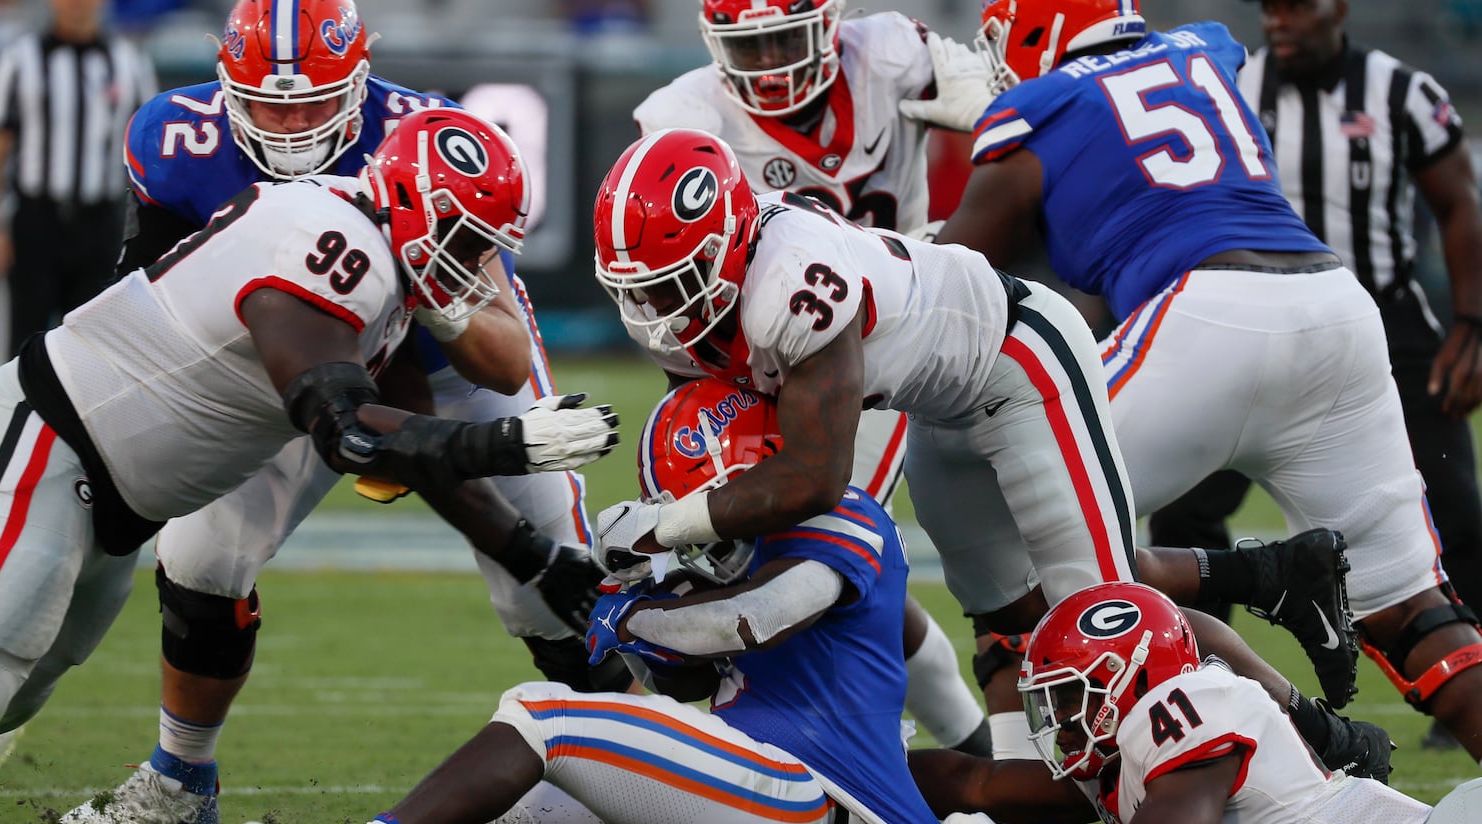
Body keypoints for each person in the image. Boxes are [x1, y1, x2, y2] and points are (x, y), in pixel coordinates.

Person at [0, 112, 618, 824]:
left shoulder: (377, 260)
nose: (471, 265)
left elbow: (416, 447)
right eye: (461, 239)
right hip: (52, 443)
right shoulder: (331, 244)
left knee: (2, 696)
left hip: (116, 496)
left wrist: (529, 553)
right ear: (408, 203)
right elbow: (349, 434)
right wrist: (504, 442)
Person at [590, 128, 1358, 771]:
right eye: (641, 287)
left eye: (675, 280)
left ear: (729, 238)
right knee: (1006, 621)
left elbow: (813, 479)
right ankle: (1046, 800)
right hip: (933, 405)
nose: (658, 307)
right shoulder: (692, 294)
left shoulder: (792, 283)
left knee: (1108, 615)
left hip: (1019, 362)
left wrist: (667, 526)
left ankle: (1319, 737)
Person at [54, 0, 610, 824]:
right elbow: (148, 311)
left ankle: (643, 776)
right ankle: (179, 776)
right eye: (270, 104)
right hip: (277, 371)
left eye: (315, 103)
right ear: (223, 79)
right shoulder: (177, 139)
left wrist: (431, 285)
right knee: (200, 558)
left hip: (442, 364)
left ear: (363, 75)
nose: (291, 126)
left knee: (551, 587)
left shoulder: (425, 139)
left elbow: (493, 363)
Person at [146, 380, 953, 824]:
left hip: (787, 799)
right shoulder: (725, 548)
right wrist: (638, 595)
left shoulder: (845, 517)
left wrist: (628, 614)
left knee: (543, 715)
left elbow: (747, 622)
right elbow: (676, 676)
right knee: (497, 807)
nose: (703, 520)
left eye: (706, 501)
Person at [922, 0, 1482, 754]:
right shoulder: (1204, 55)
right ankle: (1281, 625)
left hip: (1206, 318)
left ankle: (1029, 778)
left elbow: (950, 284)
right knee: (1415, 613)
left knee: (1008, 525)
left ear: (1033, 34)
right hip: (1334, 307)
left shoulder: (1037, 110)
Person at [628, 0, 990, 757]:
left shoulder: (891, 50)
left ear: (831, 24)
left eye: (783, 40)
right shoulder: (683, 114)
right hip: (759, 356)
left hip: (889, 333)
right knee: (790, 551)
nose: (767, 66)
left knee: (821, 546)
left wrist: (1001, 111)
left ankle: (857, 745)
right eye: (747, 47)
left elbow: (1025, 125)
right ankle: (962, 742)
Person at [1154, 0, 1482, 752]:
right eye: (1270, 8)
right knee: (1184, 511)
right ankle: (1196, 679)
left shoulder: (1401, 90)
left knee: (1455, 510)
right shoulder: (1236, 91)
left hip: (1388, 323)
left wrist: (1472, 324)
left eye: (1297, 7)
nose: (1279, 22)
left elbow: (1458, 203)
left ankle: (1460, 683)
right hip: (1260, 320)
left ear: (1338, 7)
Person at [920, 581, 1480, 824]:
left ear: (1131, 681)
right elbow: (977, 783)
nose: (1059, 720)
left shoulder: (1185, 715)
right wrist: (844, 768)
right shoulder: (1122, 757)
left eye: (1070, 696)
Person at [0, 0, 157, 365]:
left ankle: (77, 425)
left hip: (101, 222)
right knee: (18, 345)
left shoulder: (130, 62)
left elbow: (147, 148)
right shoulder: (20, 59)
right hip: (35, 218)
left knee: (93, 351)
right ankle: (12, 420)